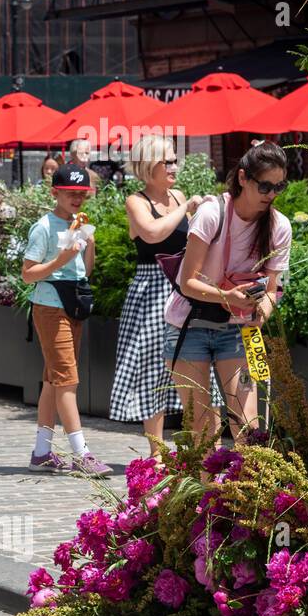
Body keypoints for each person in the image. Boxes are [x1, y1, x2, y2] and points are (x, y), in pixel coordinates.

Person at [164, 141, 292, 444]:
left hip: (237, 330)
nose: (272, 194)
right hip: (190, 323)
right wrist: (228, 297)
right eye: (265, 186)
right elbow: (187, 283)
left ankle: (246, 490)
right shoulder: (212, 214)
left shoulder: (279, 226)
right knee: (203, 426)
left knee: (247, 425)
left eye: (279, 187)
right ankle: (211, 492)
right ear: (244, 178)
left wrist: (261, 311)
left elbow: (273, 289)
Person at [109, 135, 204, 454]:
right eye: (169, 161)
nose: (175, 166)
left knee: (190, 361)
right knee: (152, 366)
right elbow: (150, 233)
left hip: (183, 285)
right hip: (152, 288)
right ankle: (157, 451)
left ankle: (196, 445)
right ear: (151, 165)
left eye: (176, 160)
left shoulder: (178, 196)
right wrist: (186, 209)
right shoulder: (136, 201)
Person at [21, 163, 113, 477]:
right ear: (55, 193)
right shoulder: (44, 227)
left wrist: (89, 245)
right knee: (67, 380)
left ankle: (42, 451)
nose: (76, 198)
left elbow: (85, 272)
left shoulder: (79, 225)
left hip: (72, 305)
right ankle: (82, 454)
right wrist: (61, 258)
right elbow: (27, 274)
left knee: (53, 380)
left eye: (81, 193)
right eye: (70, 193)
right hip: (50, 307)